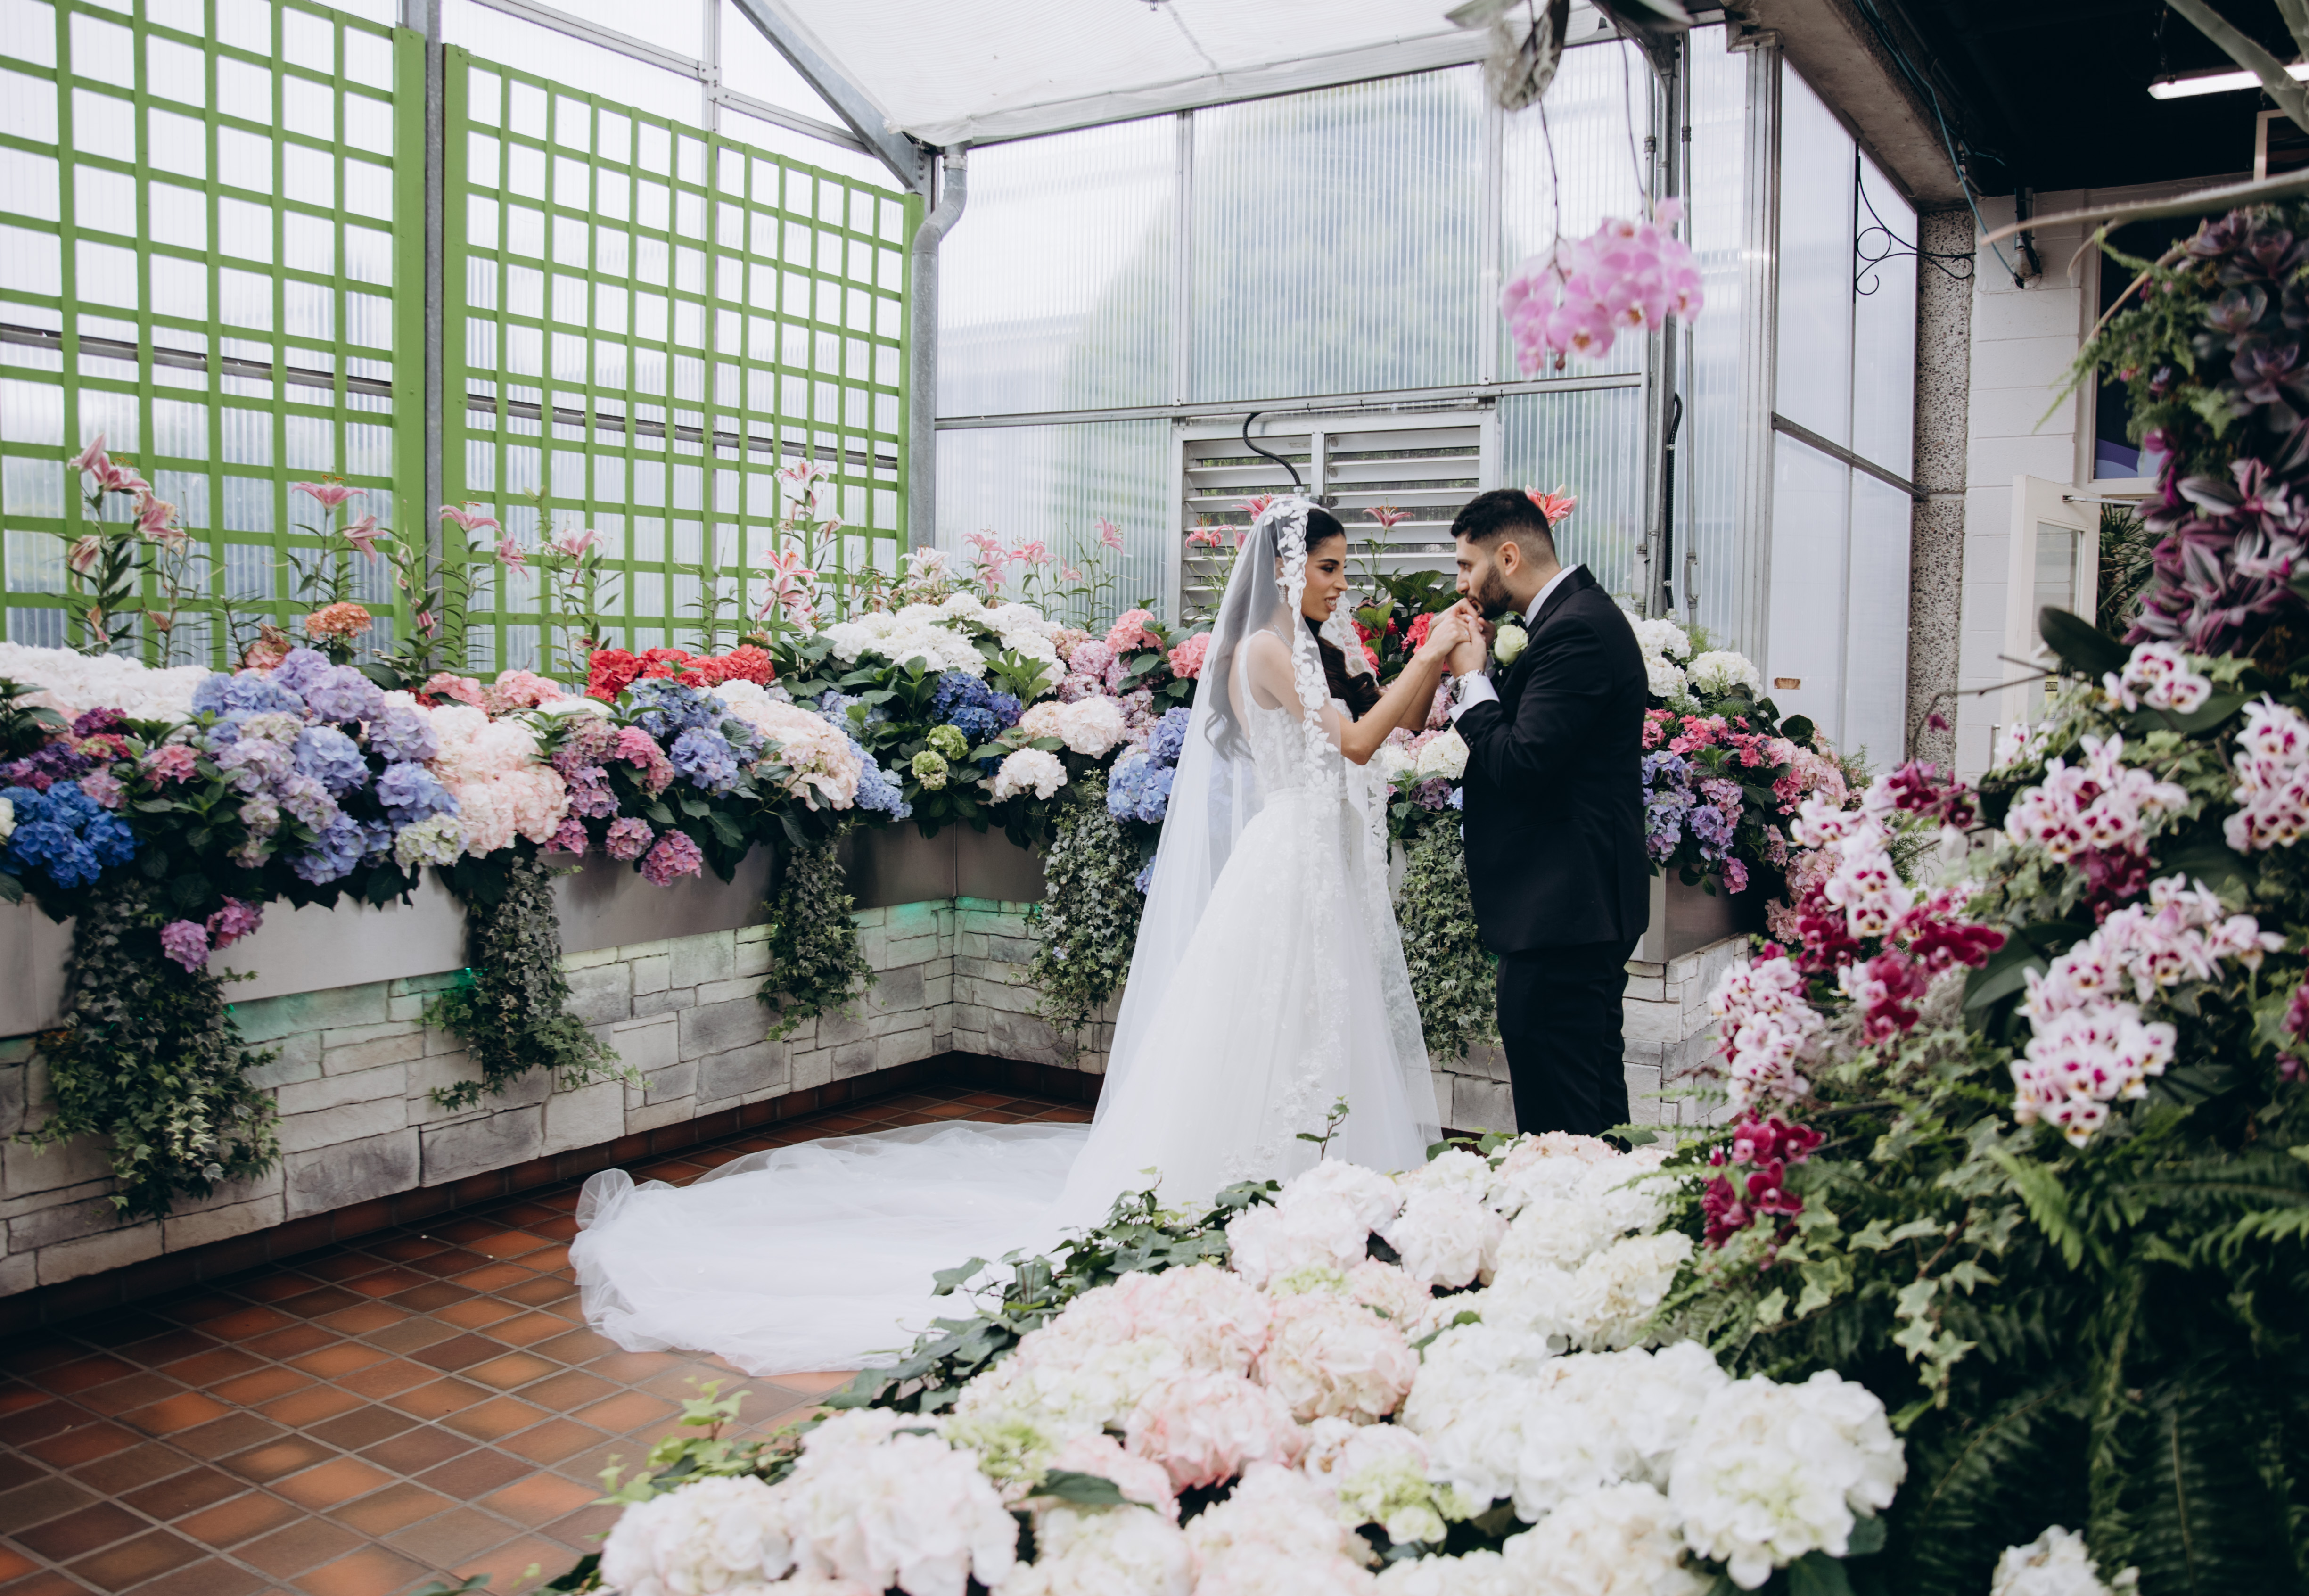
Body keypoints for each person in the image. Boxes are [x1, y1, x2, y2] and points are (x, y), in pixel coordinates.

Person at [568, 497, 1465, 1373]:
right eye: (1328, 568)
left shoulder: (1306, 646)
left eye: (1341, 570)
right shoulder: (1266, 649)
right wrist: (1428, 655)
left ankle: (1329, 1194)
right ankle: (1270, 1196)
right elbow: (1354, 744)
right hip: (1290, 863)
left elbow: (1380, 729)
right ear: (1283, 568)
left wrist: (1431, 667)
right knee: (1278, 1023)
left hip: (1315, 863)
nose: (1340, 585)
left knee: (1317, 1023)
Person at [1444, 487, 1650, 1141]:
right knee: (1592, 1111)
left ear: (1507, 557)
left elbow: (1522, 763)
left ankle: (1572, 1203)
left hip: (1564, 915)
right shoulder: (1571, 617)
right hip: (1572, 910)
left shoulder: (1577, 630)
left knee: (1560, 1124)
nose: (1462, 583)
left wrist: (1473, 680)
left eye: (1466, 565)